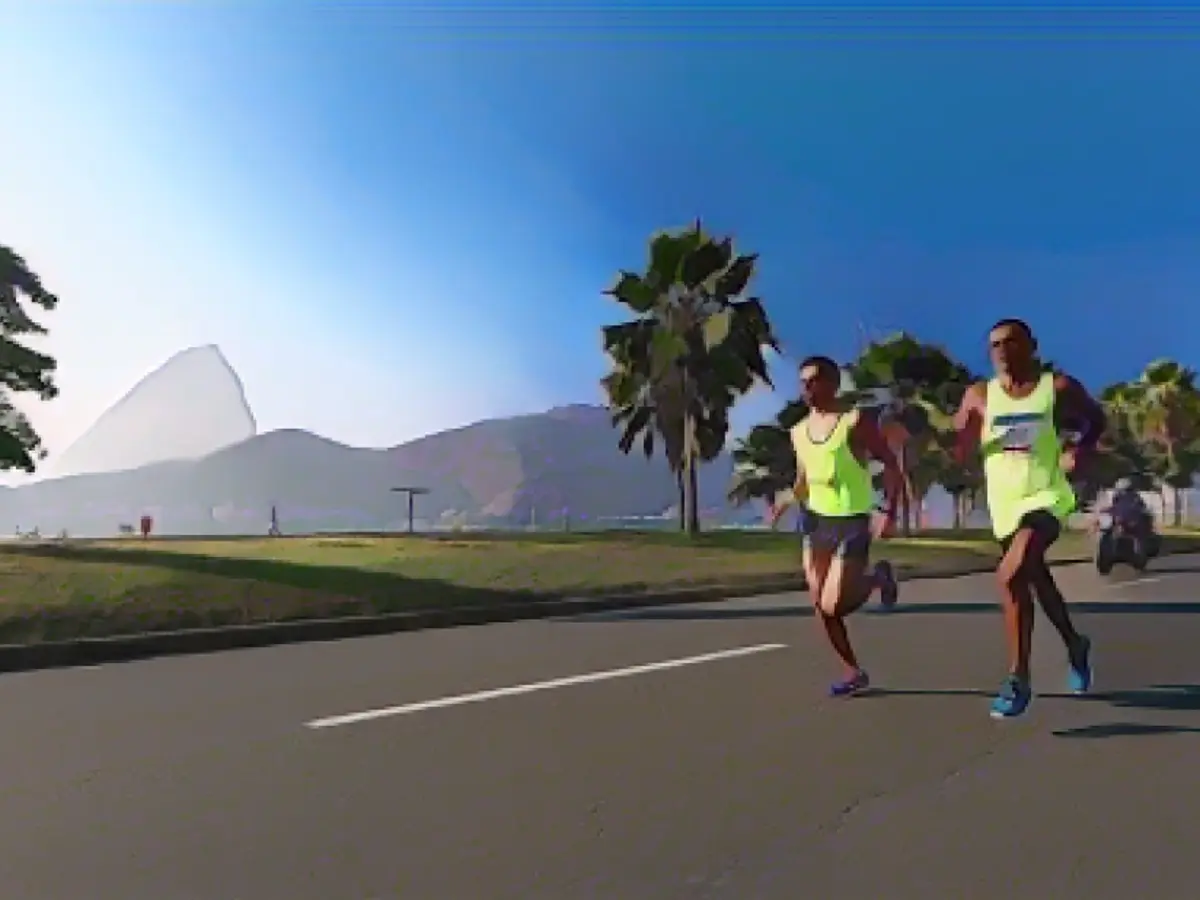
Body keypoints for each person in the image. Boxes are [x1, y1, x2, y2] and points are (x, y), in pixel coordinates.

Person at [954, 318, 1106, 719]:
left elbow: (1097, 418)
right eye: (995, 345)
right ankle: (1075, 644)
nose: (1002, 351)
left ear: (1031, 346)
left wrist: (1080, 448)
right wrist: (960, 446)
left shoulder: (1056, 388)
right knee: (1036, 579)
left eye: (1011, 342)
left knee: (1011, 574)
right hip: (1005, 505)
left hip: (1047, 496)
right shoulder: (978, 395)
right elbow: (960, 442)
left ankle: (1018, 678)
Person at [769, 355, 904, 697]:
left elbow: (890, 465)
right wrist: (785, 500)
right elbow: (803, 479)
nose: (807, 388)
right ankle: (852, 672)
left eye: (814, 381)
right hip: (815, 521)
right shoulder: (798, 431)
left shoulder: (854, 421)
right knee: (820, 605)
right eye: (803, 383)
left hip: (851, 521)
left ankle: (878, 578)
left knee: (835, 604)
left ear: (832, 383)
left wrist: (889, 511)